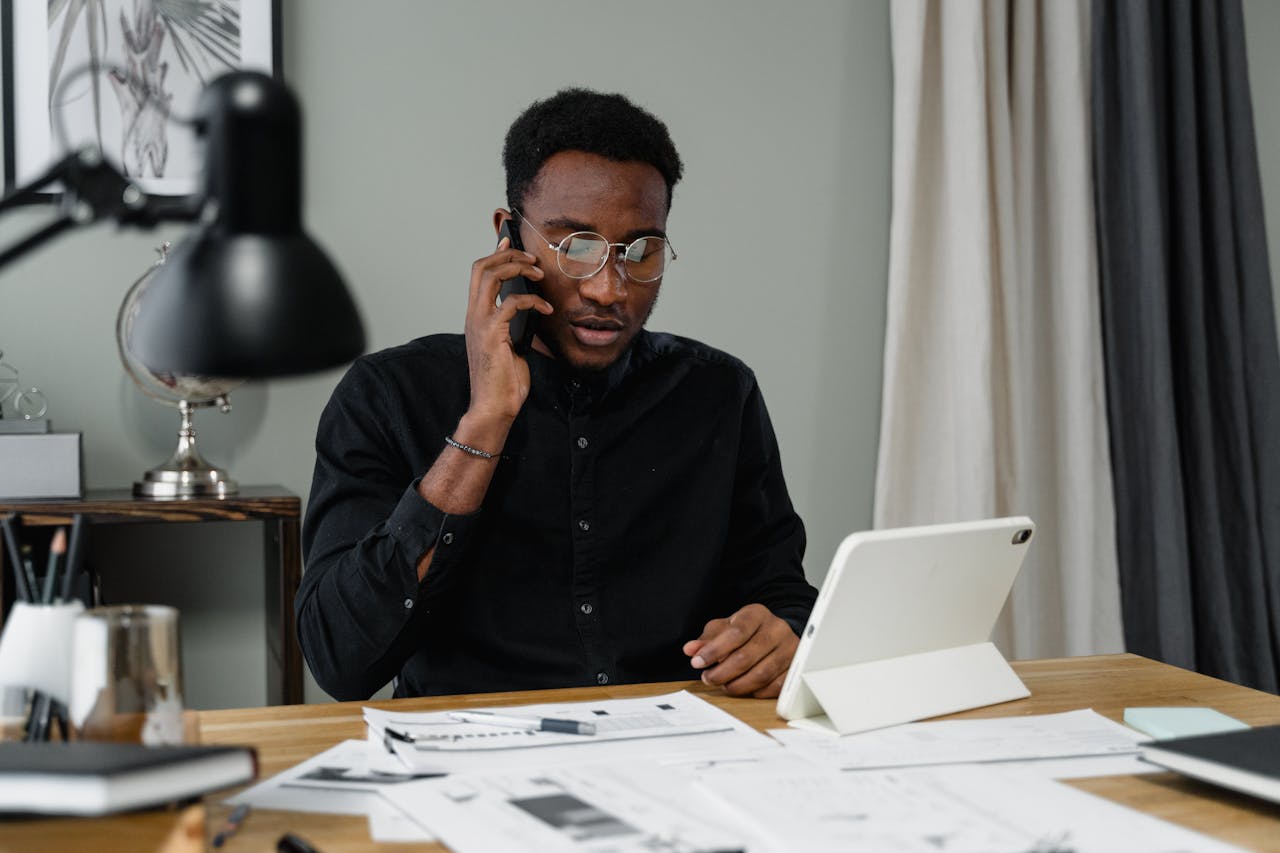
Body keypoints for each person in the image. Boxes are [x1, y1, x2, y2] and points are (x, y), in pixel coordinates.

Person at [297, 88, 817, 702]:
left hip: (672, 756)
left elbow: (781, 595)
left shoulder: (719, 394)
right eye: (577, 247)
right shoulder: (388, 394)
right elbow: (340, 660)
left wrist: (782, 636)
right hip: (468, 763)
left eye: (642, 251)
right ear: (508, 238)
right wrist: (482, 424)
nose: (609, 288)